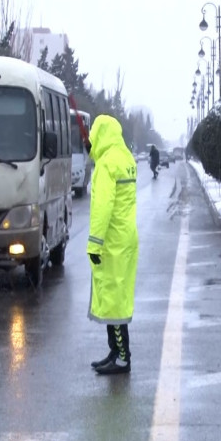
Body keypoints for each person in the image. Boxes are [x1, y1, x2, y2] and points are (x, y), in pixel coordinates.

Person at [86, 115, 139, 375]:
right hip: (125, 237)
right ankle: (116, 351)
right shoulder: (126, 158)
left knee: (114, 300)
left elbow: (103, 207)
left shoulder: (106, 163)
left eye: (92, 135)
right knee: (116, 296)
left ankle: (122, 357)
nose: (89, 140)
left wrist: (94, 244)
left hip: (112, 241)